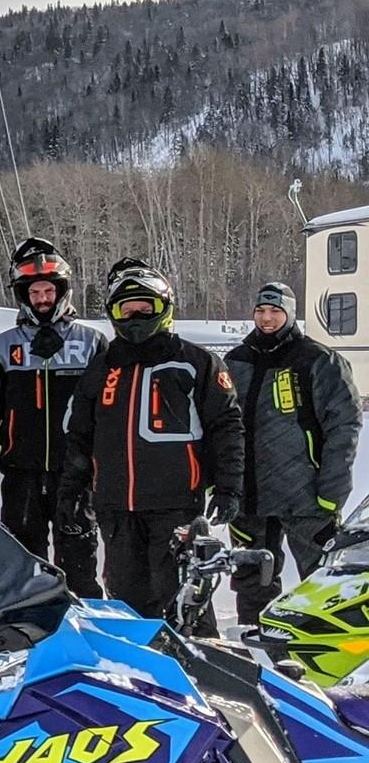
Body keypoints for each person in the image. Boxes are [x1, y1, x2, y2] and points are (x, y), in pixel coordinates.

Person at [56, 258, 243, 636]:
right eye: (128, 309)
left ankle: (202, 669)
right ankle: (138, 677)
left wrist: (229, 486)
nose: (137, 316)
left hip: (176, 506)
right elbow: (79, 435)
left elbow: (227, 427)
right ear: (114, 314)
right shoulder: (102, 368)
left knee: (183, 597)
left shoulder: (197, 363)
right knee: (127, 599)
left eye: (146, 308)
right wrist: (71, 491)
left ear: (164, 309)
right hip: (116, 507)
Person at [0, 237, 106, 597]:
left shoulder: (92, 343)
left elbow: (108, 411)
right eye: (34, 293)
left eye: (48, 291)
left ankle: (83, 637)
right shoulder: (2, 345)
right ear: (22, 296)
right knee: (21, 568)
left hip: (75, 475)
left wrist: (103, 464)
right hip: (21, 474)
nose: (42, 299)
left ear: (62, 292)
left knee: (79, 565)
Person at [224, 281, 360, 623]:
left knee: (321, 581)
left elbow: (343, 427)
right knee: (251, 579)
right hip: (249, 495)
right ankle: (252, 643)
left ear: (290, 314)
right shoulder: (236, 361)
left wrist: (332, 491)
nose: (267, 319)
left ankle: (321, 650)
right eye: (261, 311)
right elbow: (220, 424)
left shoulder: (319, 360)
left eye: (275, 311)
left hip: (306, 496)